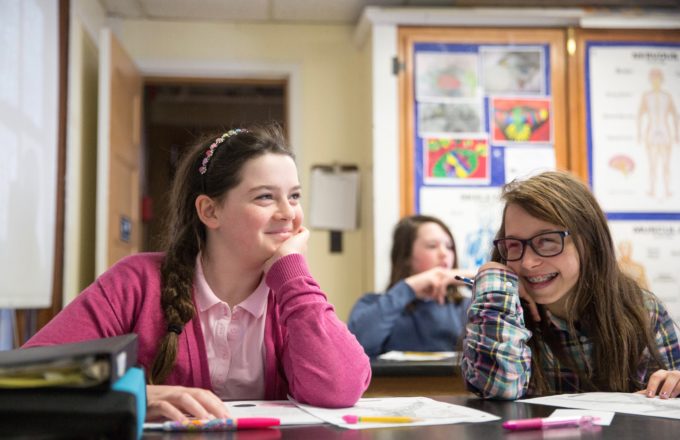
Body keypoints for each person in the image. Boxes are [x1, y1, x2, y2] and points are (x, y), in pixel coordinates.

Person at [24, 123, 371, 421]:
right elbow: (31, 376)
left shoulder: (293, 294)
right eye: (265, 197)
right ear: (210, 211)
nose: (288, 214)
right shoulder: (136, 282)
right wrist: (136, 396)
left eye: (294, 197)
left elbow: (341, 389)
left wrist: (294, 277)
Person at [462, 170, 680, 400]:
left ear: (589, 242)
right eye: (514, 244)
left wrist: (673, 383)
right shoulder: (500, 306)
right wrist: (493, 277)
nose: (528, 262)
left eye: (546, 241)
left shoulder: (642, 310)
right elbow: (498, 387)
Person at [348, 215, 474, 357]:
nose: (444, 253)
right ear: (406, 256)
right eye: (432, 246)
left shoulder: (467, 307)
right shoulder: (372, 304)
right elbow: (356, 350)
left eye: (449, 246)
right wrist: (409, 287)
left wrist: (475, 277)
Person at [637, 67, 678, 198]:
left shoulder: (667, 96)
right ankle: (652, 190)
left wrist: (677, 133)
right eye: (653, 79)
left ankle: (667, 190)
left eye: (658, 79)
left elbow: (675, 116)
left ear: (661, 80)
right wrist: (639, 133)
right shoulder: (646, 97)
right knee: (653, 165)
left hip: (666, 134)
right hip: (651, 134)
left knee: (666, 164)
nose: (656, 82)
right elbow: (639, 115)